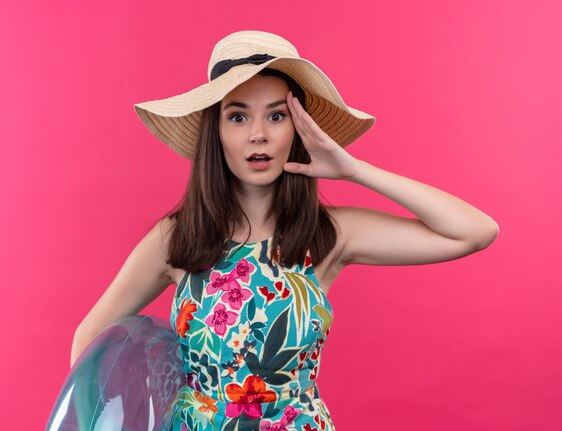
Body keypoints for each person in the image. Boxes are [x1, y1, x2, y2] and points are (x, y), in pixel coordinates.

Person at [69, 30, 499, 431]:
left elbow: (474, 231)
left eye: (276, 116)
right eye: (238, 118)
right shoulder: (177, 238)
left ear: (296, 129)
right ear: (215, 133)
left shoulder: (327, 234)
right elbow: (90, 339)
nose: (259, 135)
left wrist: (355, 170)